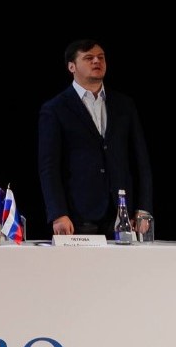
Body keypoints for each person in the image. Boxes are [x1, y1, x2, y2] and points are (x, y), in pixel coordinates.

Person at [37, 39, 153, 236]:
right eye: (88, 58)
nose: (97, 61)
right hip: (77, 214)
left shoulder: (124, 105)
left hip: (122, 214)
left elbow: (141, 160)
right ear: (72, 66)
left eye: (101, 57)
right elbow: (49, 167)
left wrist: (144, 208)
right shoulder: (55, 109)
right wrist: (58, 213)